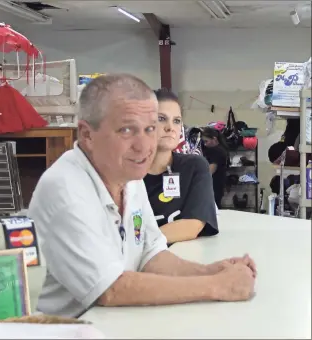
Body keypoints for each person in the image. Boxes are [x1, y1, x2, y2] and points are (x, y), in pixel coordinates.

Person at [28, 74, 256, 319]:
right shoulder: (65, 188)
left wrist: (210, 271)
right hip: (70, 328)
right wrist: (218, 286)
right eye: (127, 130)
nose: (144, 146)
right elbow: (111, 289)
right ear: (86, 134)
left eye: (149, 129)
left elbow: (151, 254)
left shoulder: (128, 176)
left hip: (114, 322)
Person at [143, 89, 218, 245]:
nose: (170, 127)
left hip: (180, 260)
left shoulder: (194, 167)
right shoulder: (125, 173)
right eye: (161, 118)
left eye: (176, 121)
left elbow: (193, 225)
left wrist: (137, 244)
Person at [201, 127, 229, 209]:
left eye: (206, 141)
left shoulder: (216, 151)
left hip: (214, 186)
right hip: (216, 185)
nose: (205, 144)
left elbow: (210, 171)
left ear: (214, 139)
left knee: (213, 210)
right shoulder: (220, 149)